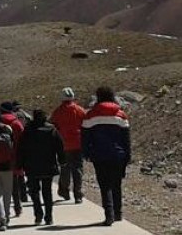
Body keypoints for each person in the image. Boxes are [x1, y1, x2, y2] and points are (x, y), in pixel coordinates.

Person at [82, 86, 132, 226]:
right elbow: (126, 139)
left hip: (99, 155)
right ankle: (118, 213)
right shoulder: (121, 115)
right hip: (118, 155)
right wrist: (128, 155)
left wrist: (86, 153)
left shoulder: (91, 115)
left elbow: (85, 137)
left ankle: (108, 214)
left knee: (105, 185)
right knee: (117, 184)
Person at [17, 110, 66, 225]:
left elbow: (21, 149)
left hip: (31, 166)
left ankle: (38, 215)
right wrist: (62, 160)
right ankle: (49, 217)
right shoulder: (52, 130)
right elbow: (60, 146)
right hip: (48, 165)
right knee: (47, 192)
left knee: (34, 192)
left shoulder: (28, 131)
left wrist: (20, 164)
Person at [51, 88, 86, 203]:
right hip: (78, 144)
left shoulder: (58, 112)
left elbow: (52, 127)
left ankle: (64, 191)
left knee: (65, 168)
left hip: (63, 145)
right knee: (78, 169)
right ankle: (78, 194)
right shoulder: (80, 110)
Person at [0, 102, 27, 217]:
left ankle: (4, 210)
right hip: (14, 156)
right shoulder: (16, 123)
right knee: (15, 184)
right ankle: (17, 206)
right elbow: (24, 140)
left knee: (3, 186)